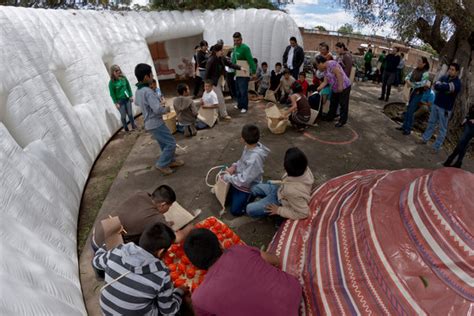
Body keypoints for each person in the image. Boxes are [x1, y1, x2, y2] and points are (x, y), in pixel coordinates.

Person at [183, 228, 302, 316]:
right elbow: (274, 260)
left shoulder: (199, 298)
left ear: (196, 265)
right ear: (220, 244)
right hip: (293, 292)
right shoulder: (239, 250)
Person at [92, 222, 188, 315]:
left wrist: (106, 246)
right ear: (161, 251)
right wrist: (179, 292)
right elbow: (168, 311)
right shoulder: (161, 274)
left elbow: (96, 262)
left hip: (107, 311)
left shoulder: (118, 251)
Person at [134, 63, 184, 175]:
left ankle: (170, 161)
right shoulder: (148, 91)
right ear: (146, 77)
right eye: (151, 74)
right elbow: (157, 109)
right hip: (155, 122)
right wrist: (165, 108)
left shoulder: (139, 91)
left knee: (164, 143)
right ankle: (162, 164)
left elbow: (136, 102)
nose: (152, 76)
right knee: (171, 143)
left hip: (150, 123)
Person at [246, 147, 314, 219]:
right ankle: (263, 201)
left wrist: (279, 210)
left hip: (282, 202)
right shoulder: (303, 167)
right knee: (254, 188)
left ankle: (278, 218)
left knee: (249, 209)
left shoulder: (292, 192)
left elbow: (303, 213)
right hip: (281, 191)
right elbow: (287, 182)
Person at [223, 124, 270, 216]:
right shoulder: (249, 147)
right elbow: (242, 161)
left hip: (247, 185)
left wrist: (228, 178)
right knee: (226, 200)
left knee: (235, 211)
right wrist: (234, 166)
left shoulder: (254, 158)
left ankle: (254, 196)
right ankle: (245, 197)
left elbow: (244, 180)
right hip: (240, 179)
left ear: (243, 139)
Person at [419, 63, 462, 151]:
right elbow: (435, 85)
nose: (450, 70)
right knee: (431, 123)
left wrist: (441, 87)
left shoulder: (457, 83)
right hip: (436, 104)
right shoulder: (444, 77)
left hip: (445, 108)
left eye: (453, 69)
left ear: (457, 72)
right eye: (450, 68)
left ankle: (436, 147)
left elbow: (443, 87)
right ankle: (424, 139)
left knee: (442, 128)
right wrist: (443, 87)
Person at [205, 44, 242, 120]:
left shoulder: (221, 58)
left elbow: (230, 64)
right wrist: (207, 85)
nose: (222, 51)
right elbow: (207, 74)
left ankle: (215, 114)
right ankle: (224, 114)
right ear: (216, 51)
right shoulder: (211, 60)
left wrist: (240, 67)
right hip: (212, 82)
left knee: (216, 98)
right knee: (220, 98)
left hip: (219, 79)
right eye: (221, 50)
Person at [316, 55, 352, 127]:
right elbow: (325, 82)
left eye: (317, 65)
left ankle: (342, 121)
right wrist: (319, 88)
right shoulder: (325, 70)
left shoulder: (331, 64)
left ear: (320, 63)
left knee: (343, 104)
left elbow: (339, 74)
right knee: (333, 102)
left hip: (344, 86)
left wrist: (340, 86)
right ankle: (330, 117)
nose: (317, 68)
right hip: (335, 88)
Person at [399, 57, 431, 135]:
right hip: (411, 92)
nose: (418, 62)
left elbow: (423, 83)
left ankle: (408, 129)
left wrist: (412, 84)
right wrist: (407, 80)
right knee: (408, 109)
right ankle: (404, 126)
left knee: (411, 111)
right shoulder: (415, 70)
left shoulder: (425, 73)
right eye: (418, 60)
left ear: (424, 64)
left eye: (420, 61)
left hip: (418, 94)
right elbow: (408, 76)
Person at [232, 32, 256, 113]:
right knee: (238, 90)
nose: (236, 42)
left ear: (241, 39)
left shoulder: (245, 48)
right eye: (235, 40)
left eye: (238, 40)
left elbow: (250, 60)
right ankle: (239, 104)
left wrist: (253, 71)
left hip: (244, 71)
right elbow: (233, 59)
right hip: (236, 72)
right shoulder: (234, 47)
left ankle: (244, 106)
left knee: (243, 90)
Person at [444, 103, 474, 168]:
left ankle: (451, 159)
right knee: (463, 143)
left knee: (463, 142)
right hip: (468, 124)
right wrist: (466, 118)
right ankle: (458, 162)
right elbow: (470, 112)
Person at [109, 65, 137, 132]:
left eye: (119, 70)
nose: (118, 71)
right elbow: (112, 94)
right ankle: (126, 129)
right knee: (123, 116)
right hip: (120, 101)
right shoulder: (111, 83)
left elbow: (128, 87)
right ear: (113, 72)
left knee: (130, 114)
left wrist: (130, 96)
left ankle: (134, 126)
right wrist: (116, 103)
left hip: (127, 99)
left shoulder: (123, 78)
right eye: (116, 71)